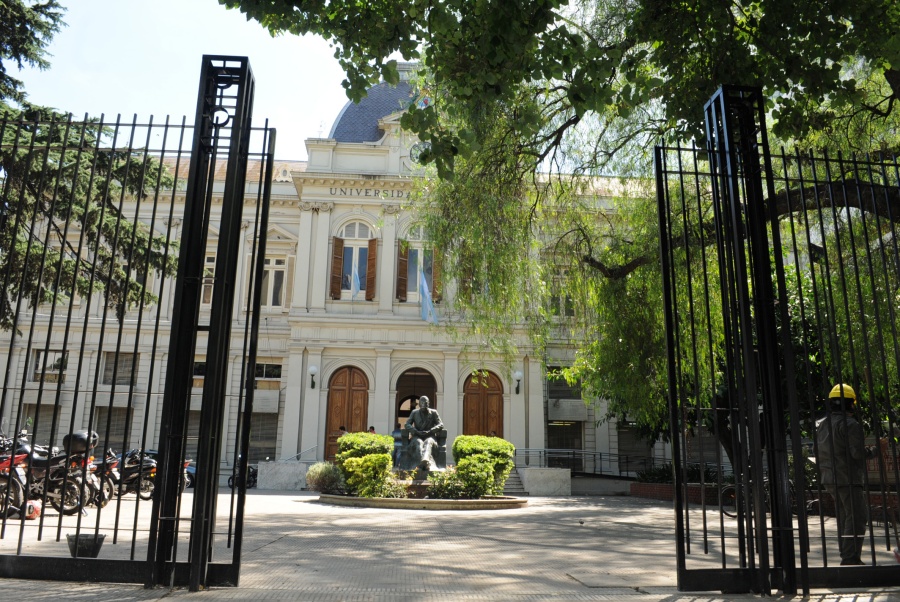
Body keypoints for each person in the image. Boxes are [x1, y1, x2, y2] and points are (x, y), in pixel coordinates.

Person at [816, 383, 873, 565]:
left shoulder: (823, 425)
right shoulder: (850, 424)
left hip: (829, 477)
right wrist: (876, 450)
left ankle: (846, 553)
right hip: (847, 478)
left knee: (845, 516)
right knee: (857, 516)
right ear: (851, 404)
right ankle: (850, 557)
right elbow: (857, 453)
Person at [403, 396, 445, 471]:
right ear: (419, 404)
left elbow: (441, 424)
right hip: (417, 436)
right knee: (419, 443)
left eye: (425, 403)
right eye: (421, 403)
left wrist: (431, 431)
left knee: (428, 442)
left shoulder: (433, 412)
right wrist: (415, 431)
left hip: (430, 436)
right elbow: (407, 424)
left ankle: (424, 461)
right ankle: (424, 464)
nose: (423, 404)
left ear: (428, 404)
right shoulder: (414, 412)